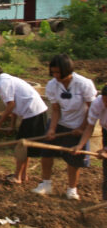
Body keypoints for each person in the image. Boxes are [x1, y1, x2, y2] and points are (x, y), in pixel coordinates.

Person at [31, 55, 97, 199]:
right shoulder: (52, 85)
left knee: (74, 158)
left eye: (58, 72)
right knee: (46, 154)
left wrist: (81, 127)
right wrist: (52, 129)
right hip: (60, 122)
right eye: (53, 72)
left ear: (67, 70)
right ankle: (46, 184)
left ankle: (72, 189)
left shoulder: (84, 84)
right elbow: (55, 110)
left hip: (79, 124)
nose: (55, 76)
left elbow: (91, 109)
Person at [0, 61, 48, 185]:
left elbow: (11, 105)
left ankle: (17, 177)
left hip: (33, 113)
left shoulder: (3, 83)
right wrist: (11, 125)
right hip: (34, 112)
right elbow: (13, 107)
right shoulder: (6, 80)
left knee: (21, 147)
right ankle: (22, 175)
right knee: (24, 146)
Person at [75, 86, 107, 203]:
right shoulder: (97, 103)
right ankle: (105, 201)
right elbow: (90, 127)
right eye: (105, 100)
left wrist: (105, 150)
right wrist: (80, 145)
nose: (106, 104)